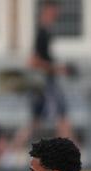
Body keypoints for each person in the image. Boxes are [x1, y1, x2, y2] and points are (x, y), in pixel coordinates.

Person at [14, 1, 73, 147]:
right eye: (53, 11)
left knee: (36, 120)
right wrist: (59, 69)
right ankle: (70, 155)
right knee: (62, 116)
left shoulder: (45, 31)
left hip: (44, 84)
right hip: (46, 84)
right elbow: (34, 61)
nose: (56, 14)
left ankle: (12, 148)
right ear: (47, 11)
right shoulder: (42, 32)